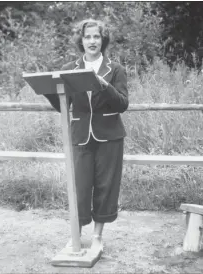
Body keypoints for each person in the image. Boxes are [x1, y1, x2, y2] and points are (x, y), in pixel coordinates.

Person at [44, 18, 129, 254]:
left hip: (109, 136)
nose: (92, 41)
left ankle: (97, 236)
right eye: (87, 37)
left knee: (106, 186)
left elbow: (123, 104)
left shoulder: (116, 69)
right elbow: (63, 105)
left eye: (96, 36)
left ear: (103, 40)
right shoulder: (70, 69)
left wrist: (104, 85)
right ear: (81, 41)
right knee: (79, 186)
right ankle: (76, 235)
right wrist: (49, 91)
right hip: (80, 134)